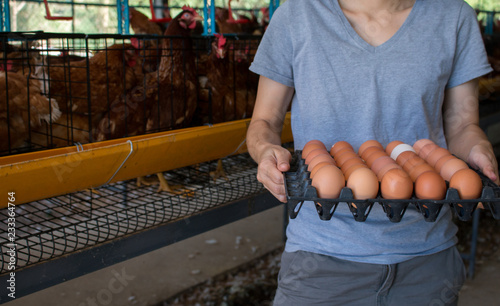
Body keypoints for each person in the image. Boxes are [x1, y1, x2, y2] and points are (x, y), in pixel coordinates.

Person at [246, 0, 500, 305]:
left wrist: (478, 148)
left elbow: (461, 126)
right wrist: (265, 150)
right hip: (321, 257)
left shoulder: (453, 16)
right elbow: (264, 121)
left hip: (426, 257)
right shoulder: (297, 15)